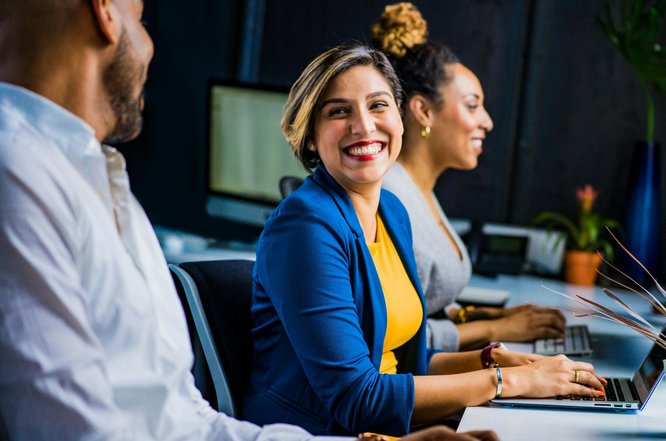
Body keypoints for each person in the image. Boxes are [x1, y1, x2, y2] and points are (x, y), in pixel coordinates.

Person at [0, 1, 496, 440]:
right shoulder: (19, 174)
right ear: (105, 11)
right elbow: (74, 428)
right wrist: (501, 381)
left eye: (377, 106)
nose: (151, 46)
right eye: (142, 17)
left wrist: (493, 364)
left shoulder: (100, 178)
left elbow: (187, 418)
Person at [242, 42, 606, 437]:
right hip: (320, 433)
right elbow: (356, 398)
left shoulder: (392, 212)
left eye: (378, 105)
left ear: (400, 118)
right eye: (339, 111)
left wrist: (498, 362)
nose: (364, 125)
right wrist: (509, 383)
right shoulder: (305, 227)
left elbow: (406, 364)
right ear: (311, 136)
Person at [374, 2, 566, 352]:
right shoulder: (391, 198)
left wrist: (489, 317)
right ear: (423, 110)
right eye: (472, 105)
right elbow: (395, 340)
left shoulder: (419, 191)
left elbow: (427, 306)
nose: (487, 122)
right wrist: (497, 329)